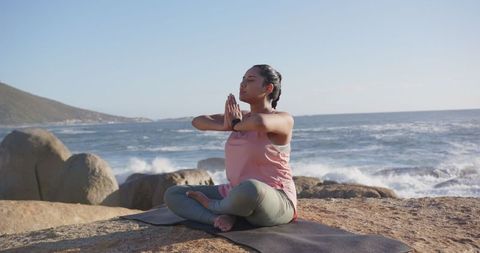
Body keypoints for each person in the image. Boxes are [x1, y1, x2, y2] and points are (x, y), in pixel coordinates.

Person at [164, 64, 297, 232]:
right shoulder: (241, 118)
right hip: (235, 195)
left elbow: (260, 122)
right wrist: (225, 126)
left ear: (268, 88)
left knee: (251, 188)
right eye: (242, 79)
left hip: (274, 198)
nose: (242, 84)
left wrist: (235, 124)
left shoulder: (283, 119)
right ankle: (218, 218)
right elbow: (197, 121)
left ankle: (215, 206)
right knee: (174, 193)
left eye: (250, 80)